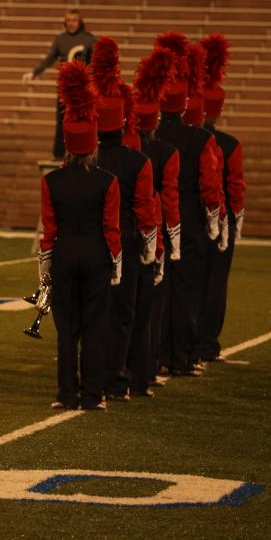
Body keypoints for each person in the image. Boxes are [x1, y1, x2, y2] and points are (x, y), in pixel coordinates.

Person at [37, 60, 121, 411]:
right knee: (94, 327)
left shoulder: (51, 180)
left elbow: (48, 228)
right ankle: (93, 394)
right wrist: (116, 263)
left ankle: (66, 393)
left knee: (66, 328)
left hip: (65, 252)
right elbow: (112, 227)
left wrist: (44, 270)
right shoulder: (107, 180)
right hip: (98, 252)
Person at [87, 38, 159, 402]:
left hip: (90, 240)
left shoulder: (86, 162)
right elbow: (146, 208)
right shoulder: (138, 161)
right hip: (127, 242)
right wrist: (152, 246)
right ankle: (117, 380)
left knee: (93, 314)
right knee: (123, 314)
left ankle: (91, 380)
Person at [154, 32, 226, 378]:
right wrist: (215, 220)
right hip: (191, 217)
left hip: (156, 216)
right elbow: (211, 184)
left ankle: (152, 357)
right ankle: (181, 357)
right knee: (186, 291)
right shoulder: (201, 138)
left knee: (156, 290)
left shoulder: (149, 139)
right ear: (184, 104)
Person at [127, 46, 179, 393]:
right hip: (151, 231)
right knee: (149, 310)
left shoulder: (123, 154)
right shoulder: (164, 153)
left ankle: (117, 373)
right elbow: (167, 200)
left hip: (120, 234)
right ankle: (144, 372)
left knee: (121, 311)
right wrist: (168, 242)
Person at [198, 32, 244, 364]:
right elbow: (236, 188)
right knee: (214, 285)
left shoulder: (180, 141)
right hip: (221, 219)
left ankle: (178, 346)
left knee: (184, 286)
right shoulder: (229, 144)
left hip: (188, 218)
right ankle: (207, 344)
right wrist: (234, 223)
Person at [22, 8, 97, 158]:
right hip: (65, 89)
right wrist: (34, 72)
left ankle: (85, 152)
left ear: (80, 22)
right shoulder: (60, 39)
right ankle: (58, 154)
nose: (71, 23)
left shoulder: (89, 39)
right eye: (68, 20)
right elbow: (49, 59)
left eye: (74, 20)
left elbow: (95, 63)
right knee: (62, 121)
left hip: (83, 89)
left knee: (84, 120)